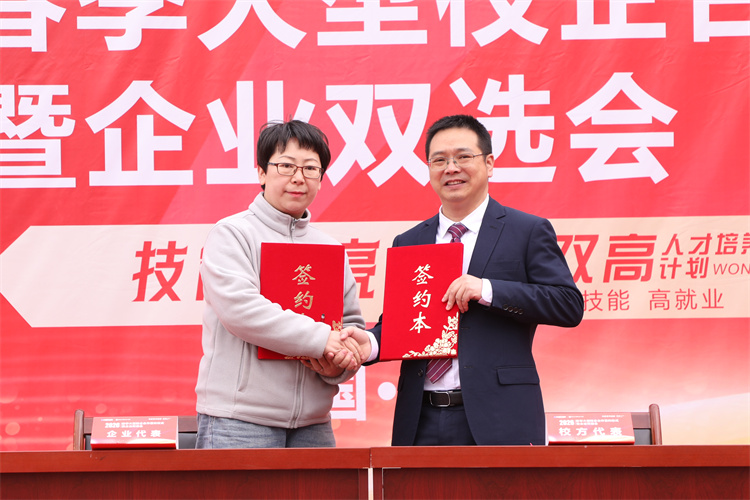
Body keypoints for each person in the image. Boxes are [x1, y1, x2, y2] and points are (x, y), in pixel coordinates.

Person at [340, 114, 584, 446]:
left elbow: (568, 304)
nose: (451, 168)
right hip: (420, 417)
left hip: (500, 416)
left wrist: (487, 289)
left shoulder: (526, 230)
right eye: (439, 160)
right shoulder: (409, 241)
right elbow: (404, 323)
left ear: (489, 163)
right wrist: (370, 343)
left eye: (463, 157)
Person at [195, 119, 365, 448]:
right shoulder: (233, 233)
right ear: (262, 173)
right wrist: (322, 339)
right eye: (286, 166)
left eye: (310, 168)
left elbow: (349, 328)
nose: (298, 178)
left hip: (314, 424)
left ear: (321, 179)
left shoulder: (330, 249)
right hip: (239, 420)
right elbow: (241, 310)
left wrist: (338, 366)